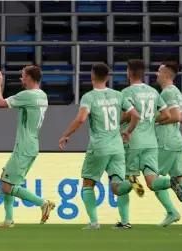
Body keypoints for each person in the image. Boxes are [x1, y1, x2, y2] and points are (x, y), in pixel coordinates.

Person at [59, 63, 140, 230]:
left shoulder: (89, 97)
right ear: (108, 78)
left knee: (88, 183)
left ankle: (94, 222)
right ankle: (125, 217)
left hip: (99, 146)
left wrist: (66, 134)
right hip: (117, 146)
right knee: (118, 187)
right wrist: (128, 131)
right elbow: (135, 115)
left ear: (92, 76)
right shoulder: (118, 95)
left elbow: (81, 119)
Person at [116, 59, 182, 229]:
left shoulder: (125, 92)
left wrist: (117, 122)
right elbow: (167, 114)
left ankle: (124, 221)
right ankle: (170, 185)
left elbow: (128, 115)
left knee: (125, 179)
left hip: (132, 141)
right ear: (143, 74)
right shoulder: (154, 93)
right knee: (152, 181)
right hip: (151, 142)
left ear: (129, 73)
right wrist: (151, 120)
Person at [0, 66, 55, 228]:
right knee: (7, 180)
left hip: (24, 146)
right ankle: (8, 220)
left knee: (7, 184)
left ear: (28, 78)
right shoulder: (43, 95)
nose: (21, 79)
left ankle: (43, 203)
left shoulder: (28, 95)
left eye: (22, 76)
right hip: (32, 144)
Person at [155, 61, 182, 227]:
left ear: (166, 74)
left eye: (159, 71)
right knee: (180, 178)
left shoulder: (167, 93)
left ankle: (171, 212)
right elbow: (180, 115)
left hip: (166, 141)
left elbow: (177, 117)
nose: (156, 74)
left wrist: (153, 120)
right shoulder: (176, 92)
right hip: (175, 140)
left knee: (152, 178)